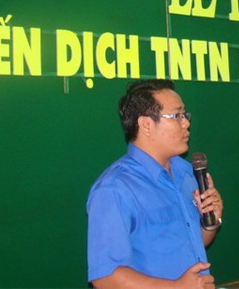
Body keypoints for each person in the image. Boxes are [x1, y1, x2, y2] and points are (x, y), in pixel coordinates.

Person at [87, 79, 223, 289]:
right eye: (177, 116)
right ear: (146, 125)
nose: (186, 123)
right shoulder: (114, 188)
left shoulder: (186, 173)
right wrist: (177, 287)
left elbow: (191, 243)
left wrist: (211, 221)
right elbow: (106, 277)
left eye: (185, 115)